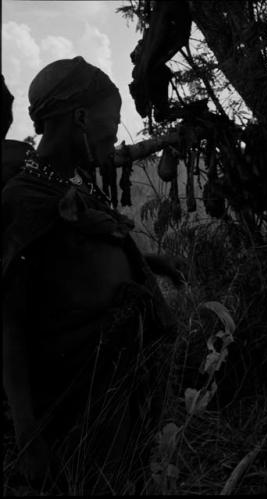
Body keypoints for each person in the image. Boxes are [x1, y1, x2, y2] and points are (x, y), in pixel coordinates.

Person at [2, 57, 176, 493]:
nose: (116, 131)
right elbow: (8, 322)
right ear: (81, 118)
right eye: (112, 119)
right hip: (68, 408)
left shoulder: (75, 186)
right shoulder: (25, 200)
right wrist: (28, 437)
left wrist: (151, 262)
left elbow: (85, 251)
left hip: (111, 400)